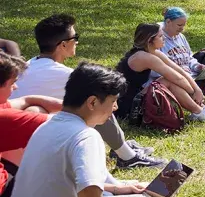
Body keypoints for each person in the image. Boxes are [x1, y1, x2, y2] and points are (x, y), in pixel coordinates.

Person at [1, 63, 167, 197]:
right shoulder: (86, 136)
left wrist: (117, 188)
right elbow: (89, 190)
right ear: (92, 102)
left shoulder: (45, 126)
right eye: (113, 101)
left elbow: (63, 177)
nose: (114, 108)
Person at [15, 14, 164, 168]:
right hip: (39, 138)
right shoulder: (64, 74)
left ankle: (123, 147)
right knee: (97, 104)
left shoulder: (29, 65)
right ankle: (127, 156)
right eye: (75, 37)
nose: (77, 41)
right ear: (63, 45)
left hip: (23, 134)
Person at [115, 22, 205, 122]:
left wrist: (197, 90)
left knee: (168, 80)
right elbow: (176, 78)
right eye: (160, 36)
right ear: (150, 40)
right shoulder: (143, 57)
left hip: (137, 96)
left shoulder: (153, 52)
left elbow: (180, 71)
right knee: (168, 81)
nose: (164, 38)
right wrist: (194, 93)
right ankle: (198, 111)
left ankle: (200, 109)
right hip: (128, 105)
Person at [0, 53, 50, 197]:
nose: (15, 87)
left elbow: (27, 100)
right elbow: (65, 124)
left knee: (34, 109)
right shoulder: (5, 118)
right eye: (12, 82)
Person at [159, 7, 205, 95]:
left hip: (191, 74)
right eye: (179, 25)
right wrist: (178, 70)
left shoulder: (181, 37)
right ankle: (204, 90)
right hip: (176, 77)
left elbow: (189, 57)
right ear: (168, 22)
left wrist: (197, 66)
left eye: (183, 25)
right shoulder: (159, 39)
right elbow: (159, 66)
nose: (182, 28)